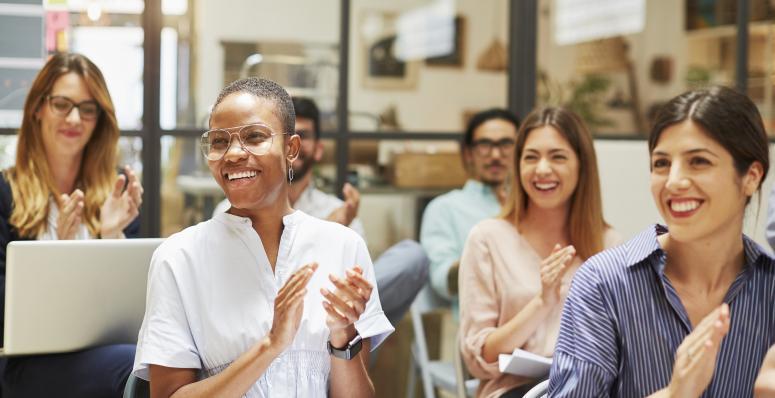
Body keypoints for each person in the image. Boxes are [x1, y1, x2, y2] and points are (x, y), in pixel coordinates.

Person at [133, 77, 393, 397]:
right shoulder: (178, 257)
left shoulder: (343, 246)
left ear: (291, 149)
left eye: (254, 137)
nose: (233, 154)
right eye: (218, 142)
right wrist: (270, 346)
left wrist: (343, 339)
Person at [548, 86, 775, 397]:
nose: (673, 181)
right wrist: (673, 394)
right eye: (661, 163)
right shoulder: (604, 282)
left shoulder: (771, 288)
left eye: (699, 162)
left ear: (751, 177)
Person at [213, 97, 428, 327]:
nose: (292, 144)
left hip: (332, 316)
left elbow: (356, 279)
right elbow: (240, 281)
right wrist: (329, 228)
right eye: (285, 135)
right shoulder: (231, 209)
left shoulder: (338, 209)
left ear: (317, 150)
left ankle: (343, 344)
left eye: (303, 136)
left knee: (411, 257)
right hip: (262, 319)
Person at [0, 53, 143, 397]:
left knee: (153, 361)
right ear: (38, 108)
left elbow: (129, 306)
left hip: (105, 351)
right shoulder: (4, 192)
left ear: (99, 119)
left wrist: (112, 235)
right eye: (62, 104)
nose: (75, 118)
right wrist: (58, 253)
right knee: (135, 365)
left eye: (87, 108)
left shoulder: (118, 193)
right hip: (25, 361)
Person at [458, 107, 619, 398]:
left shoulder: (609, 245)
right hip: (515, 391)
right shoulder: (487, 239)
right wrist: (542, 302)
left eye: (557, 156)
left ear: (582, 165)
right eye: (531, 157)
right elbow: (478, 358)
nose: (542, 169)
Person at [420, 108, 520, 314]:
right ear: (468, 153)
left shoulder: (536, 205)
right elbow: (442, 281)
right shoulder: (445, 208)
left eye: (506, 144)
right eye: (485, 145)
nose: (495, 155)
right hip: (480, 325)